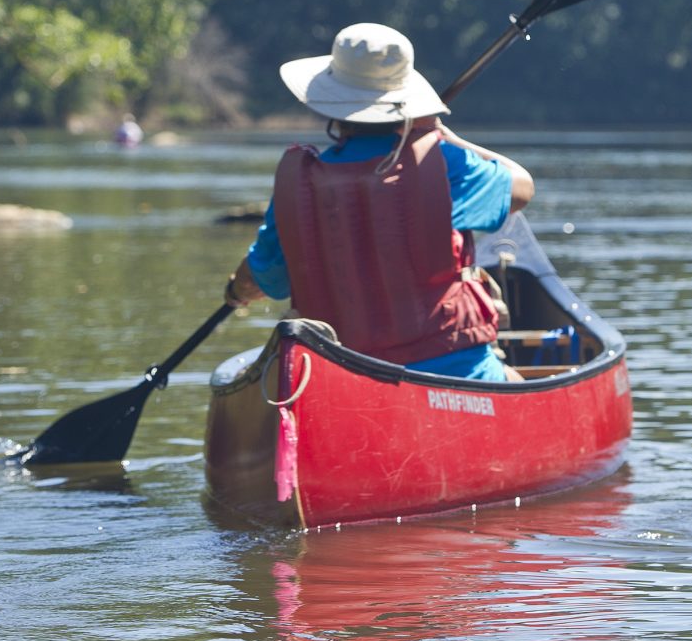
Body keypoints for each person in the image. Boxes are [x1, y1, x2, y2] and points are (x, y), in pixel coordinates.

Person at [222, 23, 533, 383]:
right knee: (516, 383)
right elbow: (522, 187)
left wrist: (235, 291)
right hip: (458, 375)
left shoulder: (300, 183)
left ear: (332, 109)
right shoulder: (445, 162)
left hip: (344, 376)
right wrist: (449, 138)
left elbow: (261, 279)